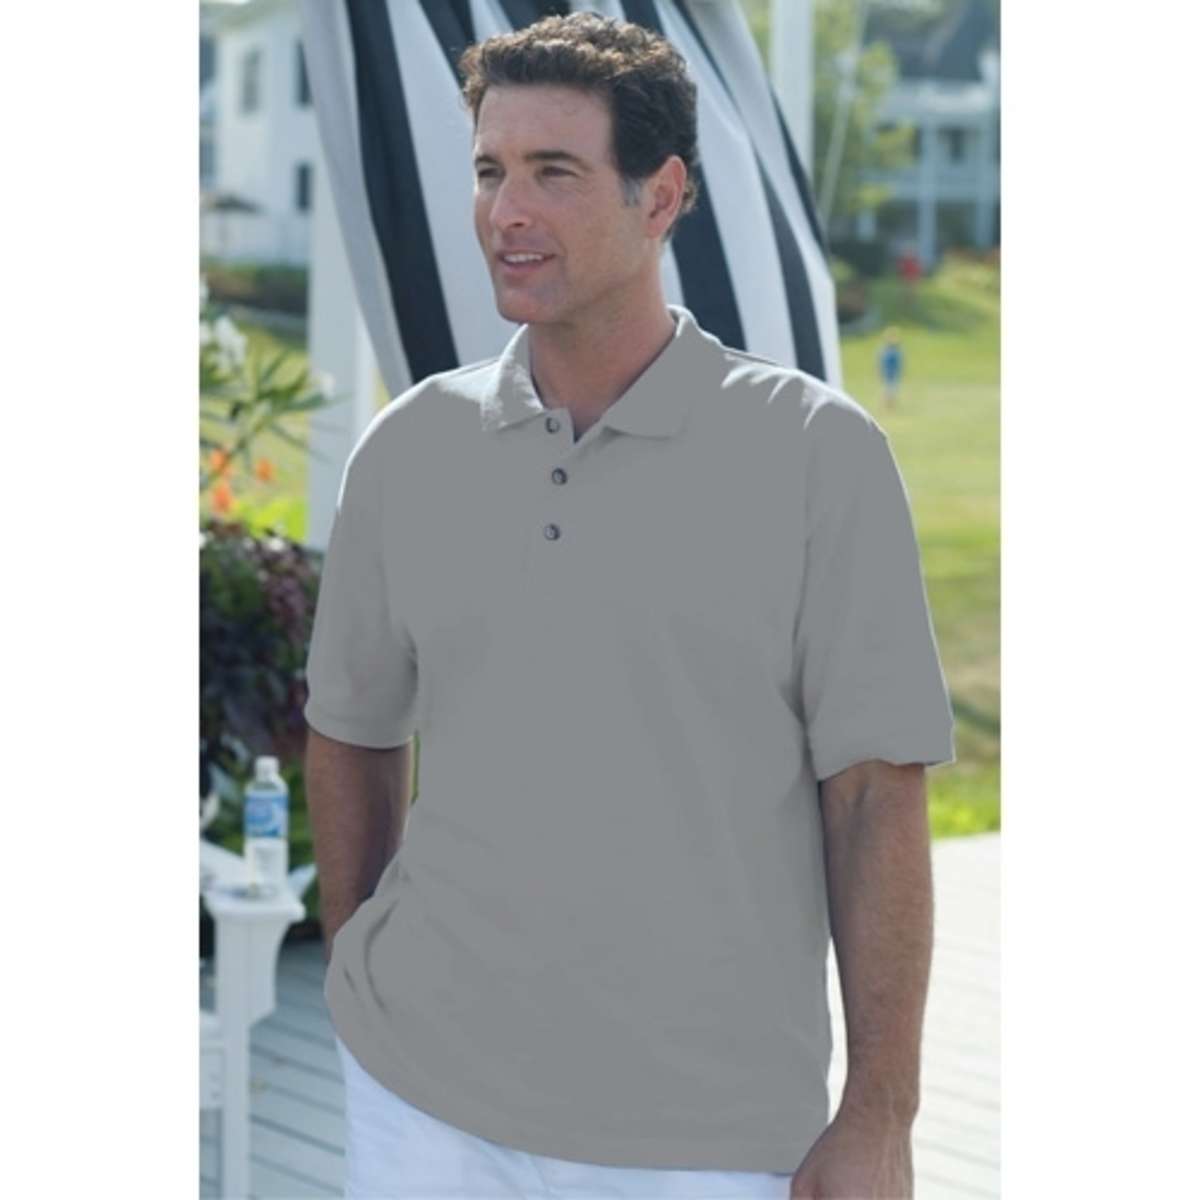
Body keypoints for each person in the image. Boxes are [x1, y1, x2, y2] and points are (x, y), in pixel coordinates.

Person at [304, 12, 954, 1200]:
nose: (506, 211)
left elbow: (874, 799)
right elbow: (352, 727)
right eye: (490, 170)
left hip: (703, 1136)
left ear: (661, 199)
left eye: (553, 172)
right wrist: (359, 971)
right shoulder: (409, 449)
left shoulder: (816, 454)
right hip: (419, 1102)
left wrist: (881, 1112)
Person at [878, 326, 904, 411]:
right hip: (888, 374)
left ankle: (891, 405)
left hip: (893, 374)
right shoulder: (885, 350)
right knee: (889, 390)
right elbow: (882, 363)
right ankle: (887, 405)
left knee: (893, 390)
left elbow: (899, 363)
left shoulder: (896, 350)